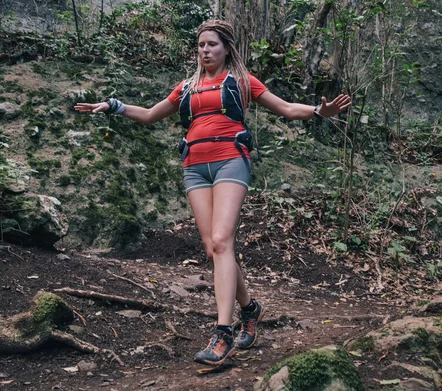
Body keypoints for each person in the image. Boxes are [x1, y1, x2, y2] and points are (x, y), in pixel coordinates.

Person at [75, 19, 351, 366]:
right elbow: (148, 115)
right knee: (212, 248)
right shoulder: (187, 87)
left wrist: (318, 111)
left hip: (230, 161)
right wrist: (113, 106)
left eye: (212, 45)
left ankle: (223, 333)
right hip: (194, 166)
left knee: (222, 240)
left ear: (226, 49)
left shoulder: (240, 82)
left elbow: (284, 108)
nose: (205, 50)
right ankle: (250, 310)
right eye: (201, 45)